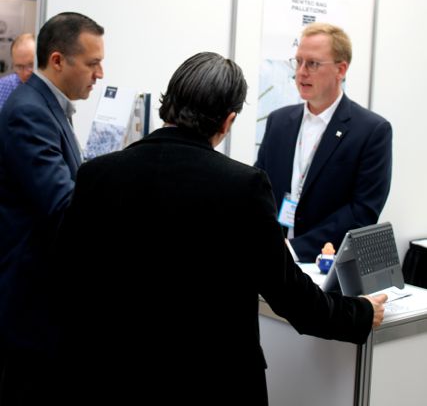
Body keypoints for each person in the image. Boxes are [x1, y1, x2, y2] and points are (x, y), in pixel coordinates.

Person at [52, 51, 386, 406]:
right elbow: (293, 298)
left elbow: (67, 275)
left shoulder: (97, 174)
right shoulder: (242, 186)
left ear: (169, 102)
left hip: (110, 379)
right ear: (227, 121)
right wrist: (360, 313)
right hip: (214, 383)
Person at [0, 12, 104, 404]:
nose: (100, 74)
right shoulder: (30, 111)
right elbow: (62, 204)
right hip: (32, 307)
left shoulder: (48, 106)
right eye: (92, 64)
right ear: (58, 60)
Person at [256, 22, 393, 263]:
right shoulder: (279, 121)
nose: (301, 72)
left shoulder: (371, 131)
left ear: (341, 69)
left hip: (326, 266)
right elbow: (259, 189)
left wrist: (294, 249)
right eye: (298, 62)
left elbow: (362, 211)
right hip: (272, 260)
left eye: (313, 63)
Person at [0, 33, 35, 110]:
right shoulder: (3, 87)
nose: (26, 73)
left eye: (31, 65)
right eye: (19, 67)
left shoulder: (53, 86)